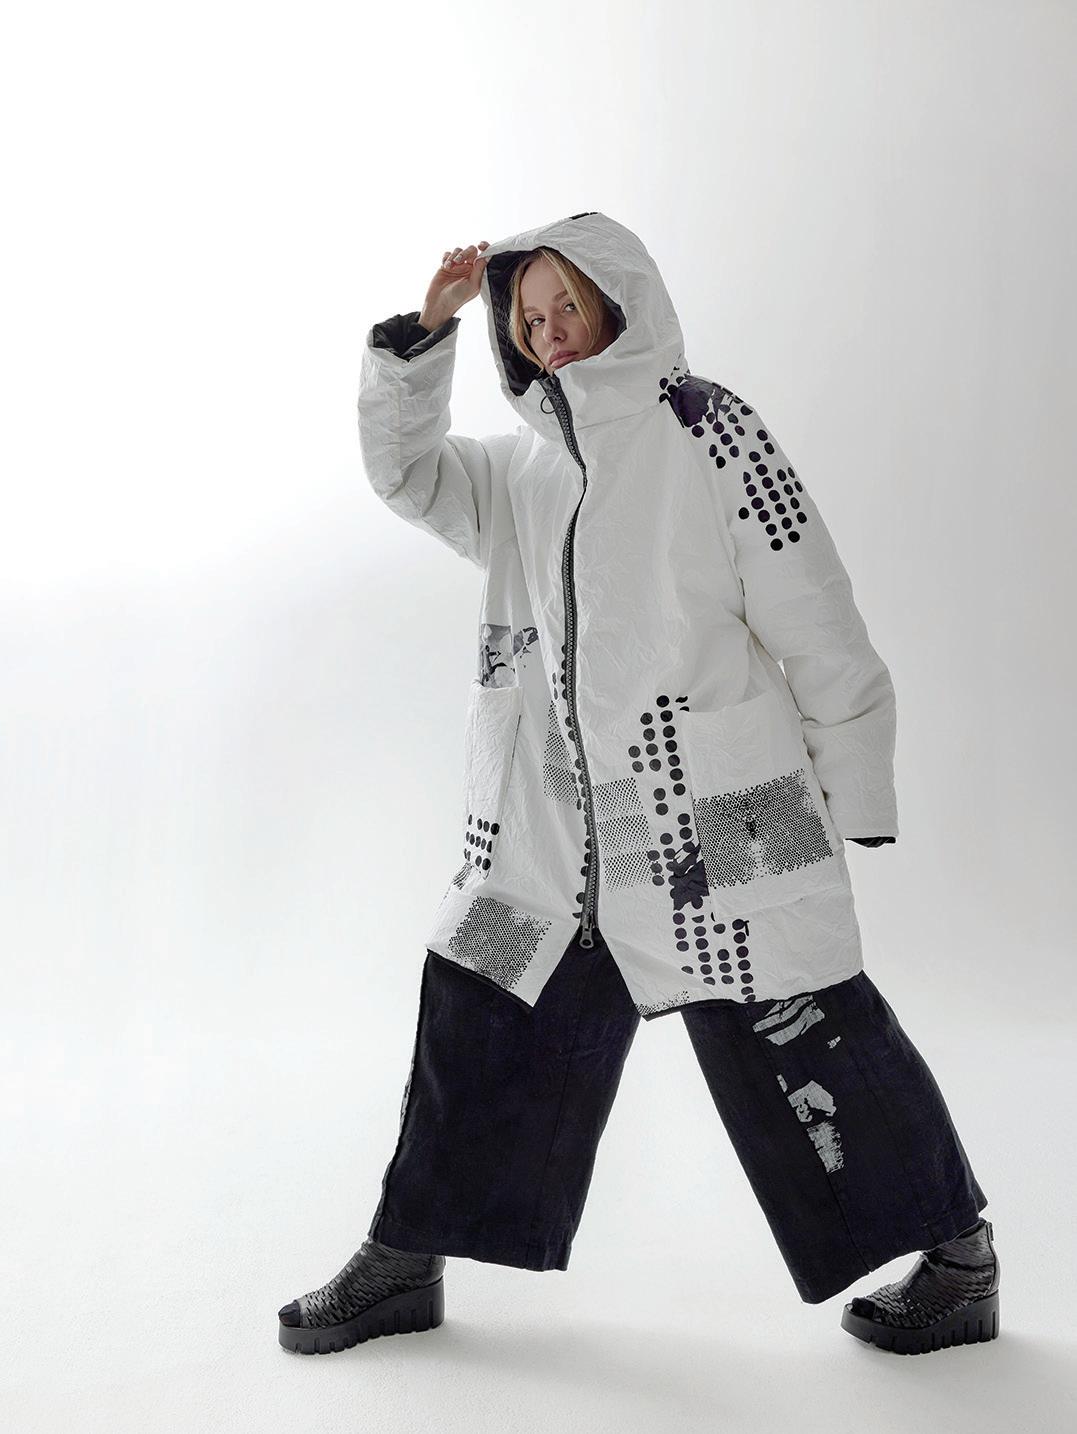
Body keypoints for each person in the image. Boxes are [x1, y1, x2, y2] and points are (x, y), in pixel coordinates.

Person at [277, 213, 999, 1357]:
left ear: (616, 301)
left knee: (803, 1022)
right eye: (528, 318)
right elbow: (407, 474)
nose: (550, 332)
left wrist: (854, 784)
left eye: (566, 305)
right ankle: (405, 1253)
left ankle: (960, 1261)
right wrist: (422, 338)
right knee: (475, 998)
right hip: (553, 832)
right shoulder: (521, 469)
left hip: (726, 813)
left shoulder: (710, 431)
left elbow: (815, 614)